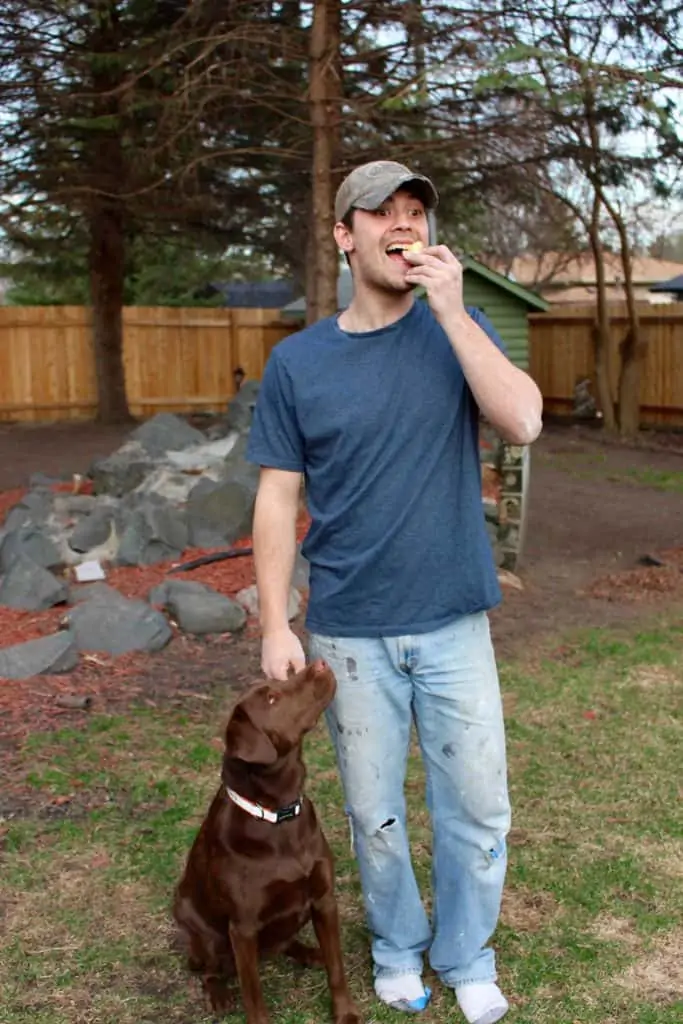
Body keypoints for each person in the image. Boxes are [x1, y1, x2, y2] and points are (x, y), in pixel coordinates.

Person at [245, 160, 543, 1024]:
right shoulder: (298, 362)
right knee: (374, 814)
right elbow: (275, 496)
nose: (402, 224)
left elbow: (521, 421)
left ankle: (467, 954)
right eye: (383, 213)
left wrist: (452, 313)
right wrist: (275, 620)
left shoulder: (460, 328)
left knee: (477, 805)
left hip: (452, 620)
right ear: (346, 235)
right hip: (347, 631)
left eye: (415, 210)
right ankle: (396, 948)